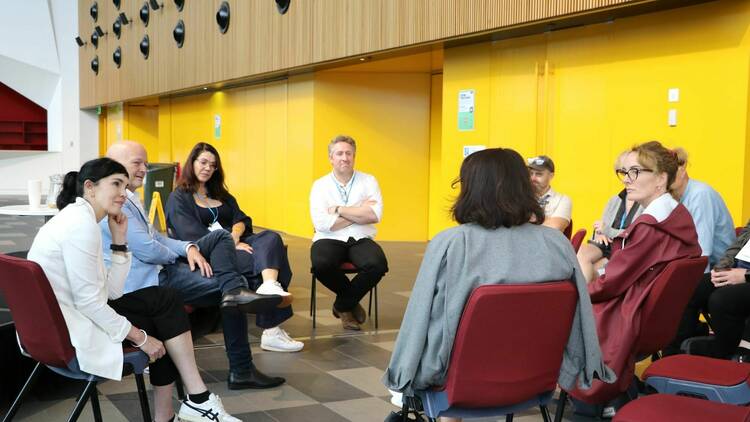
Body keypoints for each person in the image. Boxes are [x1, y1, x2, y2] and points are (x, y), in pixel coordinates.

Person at [382, 148, 614, 422]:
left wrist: (401, 377)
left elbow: (419, 323)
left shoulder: (452, 244)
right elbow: (580, 321)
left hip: (461, 385)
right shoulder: (558, 246)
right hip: (536, 382)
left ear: (471, 190)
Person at [27, 158, 241, 422]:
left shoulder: (77, 218)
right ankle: (192, 403)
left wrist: (119, 242)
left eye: (125, 186)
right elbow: (90, 304)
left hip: (54, 326)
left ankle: (189, 405)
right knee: (163, 316)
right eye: (116, 184)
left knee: (164, 301)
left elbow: (112, 292)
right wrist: (141, 338)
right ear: (90, 187)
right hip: (71, 331)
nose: (123, 193)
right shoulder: (80, 227)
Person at [105, 141, 289, 392]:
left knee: (224, 239)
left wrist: (189, 248)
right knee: (234, 288)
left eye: (145, 163)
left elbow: (157, 237)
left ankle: (238, 292)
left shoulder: (131, 197)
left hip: (171, 263)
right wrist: (178, 254)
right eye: (137, 163)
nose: (144, 169)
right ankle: (242, 369)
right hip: (152, 279)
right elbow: (148, 249)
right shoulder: (119, 201)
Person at [571, 141, 701, 408]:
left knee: (563, 310)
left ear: (661, 179)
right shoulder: (677, 217)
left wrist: (577, 292)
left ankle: (586, 402)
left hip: (632, 313)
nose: (627, 180)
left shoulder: (649, 226)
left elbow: (611, 284)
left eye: (636, 172)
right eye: (624, 172)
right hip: (654, 316)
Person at [165, 142, 302, 354]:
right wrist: (228, 245)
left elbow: (242, 218)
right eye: (203, 162)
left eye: (213, 165)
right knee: (270, 262)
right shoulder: (179, 198)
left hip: (238, 243)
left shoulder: (220, 194)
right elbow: (190, 235)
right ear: (192, 163)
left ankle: (268, 286)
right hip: (210, 254)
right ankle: (272, 329)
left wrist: (236, 236)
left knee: (271, 239)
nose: (208, 168)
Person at [309, 135, 388, 331]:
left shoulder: (368, 181)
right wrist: (358, 210)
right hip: (329, 238)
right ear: (331, 157)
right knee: (321, 264)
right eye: (339, 153)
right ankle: (350, 303)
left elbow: (374, 215)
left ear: (354, 156)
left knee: (377, 264)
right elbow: (322, 223)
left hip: (360, 237)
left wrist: (339, 209)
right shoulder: (320, 186)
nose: (344, 158)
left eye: (348, 153)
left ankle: (342, 305)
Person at [664, 147, 735, 355]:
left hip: (720, 269)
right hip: (702, 266)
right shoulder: (671, 199)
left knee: (683, 290)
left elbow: (700, 254)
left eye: (670, 172)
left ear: (683, 168)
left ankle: (673, 357)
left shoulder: (700, 195)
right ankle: (689, 335)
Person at [671, 221, 750, 360]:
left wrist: (746, 275)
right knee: (688, 287)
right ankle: (674, 357)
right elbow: (738, 244)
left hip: (745, 276)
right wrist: (722, 268)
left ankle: (723, 358)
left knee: (722, 299)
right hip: (737, 270)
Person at [577, 152, 643, 282]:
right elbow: (602, 229)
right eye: (623, 173)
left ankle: (582, 300)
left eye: (632, 172)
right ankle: (582, 300)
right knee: (579, 253)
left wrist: (607, 231)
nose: (626, 179)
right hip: (606, 246)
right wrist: (600, 234)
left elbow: (636, 236)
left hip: (624, 250)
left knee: (593, 272)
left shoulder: (646, 201)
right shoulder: (614, 199)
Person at [527, 155, 572, 233]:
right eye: (531, 173)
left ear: (551, 176)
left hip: (549, 244)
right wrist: (548, 219)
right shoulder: (522, 197)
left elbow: (555, 228)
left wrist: (530, 219)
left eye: (539, 174)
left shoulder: (563, 200)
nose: (533, 178)